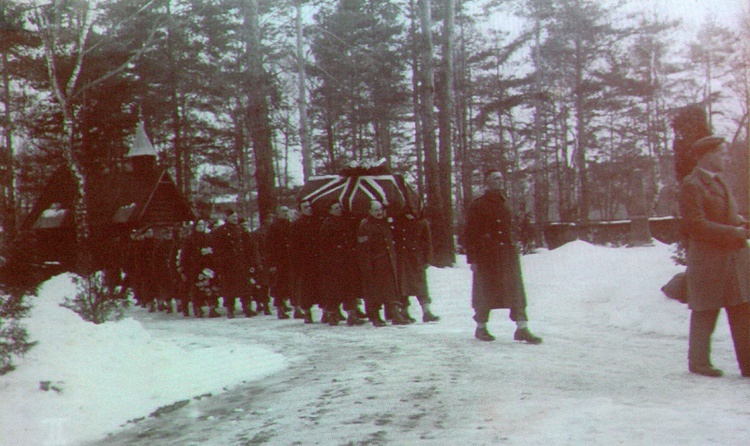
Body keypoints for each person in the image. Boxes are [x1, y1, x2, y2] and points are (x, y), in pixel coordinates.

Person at [679, 135, 750, 378]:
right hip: (709, 260)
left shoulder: (720, 182)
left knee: (743, 309)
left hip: (734, 259)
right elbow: (695, 225)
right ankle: (698, 363)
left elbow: (727, 215)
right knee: (706, 310)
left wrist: (742, 224)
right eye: (722, 152)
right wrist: (734, 232)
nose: (726, 157)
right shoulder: (692, 185)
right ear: (707, 155)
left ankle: (748, 365)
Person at [465, 170, 542, 343]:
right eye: (495, 179)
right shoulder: (478, 205)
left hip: (507, 255)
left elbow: (511, 226)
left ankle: (522, 328)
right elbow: (470, 233)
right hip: (487, 256)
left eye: (500, 178)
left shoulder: (506, 202)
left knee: (515, 291)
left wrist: (516, 241)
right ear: (487, 182)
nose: (499, 181)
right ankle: (481, 328)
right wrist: (473, 259)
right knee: (485, 292)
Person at [357, 200, 409, 327]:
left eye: (381, 209)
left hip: (389, 262)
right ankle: (375, 317)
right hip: (375, 264)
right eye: (376, 210)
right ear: (369, 212)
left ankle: (395, 314)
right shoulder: (365, 225)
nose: (379, 212)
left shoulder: (385, 222)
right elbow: (364, 249)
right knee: (375, 291)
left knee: (391, 289)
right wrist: (367, 266)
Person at [319, 202, 366, 326]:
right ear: (330, 211)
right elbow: (324, 245)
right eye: (336, 208)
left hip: (347, 261)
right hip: (334, 263)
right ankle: (333, 314)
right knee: (335, 290)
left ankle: (352, 315)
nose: (339, 209)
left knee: (350, 288)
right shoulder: (327, 224)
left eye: (340, 207)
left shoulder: (346, 221)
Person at [391, 209, 440, 323]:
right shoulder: (398, 220)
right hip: (402, 257)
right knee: (402, 285)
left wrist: (427, 259)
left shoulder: (422, 222)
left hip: (417, 257)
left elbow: (427, 241)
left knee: (421, 284)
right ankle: (404, 312)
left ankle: (426, 311)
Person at [213, 210, 255, 318]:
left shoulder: (241, 230)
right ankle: (230, 309)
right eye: (233, 217)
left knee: (245, 287)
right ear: (227, 217)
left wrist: (251, 261)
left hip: (241, 263)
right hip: (228, 264)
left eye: (236, 217)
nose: (235, 219)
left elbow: (249, 246)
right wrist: (221, 261)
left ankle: (247, 308)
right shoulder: (220, 231)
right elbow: (217, 248)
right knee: (229, 288)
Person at [291, 200, 323, 323]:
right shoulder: (297, 225)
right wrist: (297, 263)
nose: (309, 209)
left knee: (321, 286)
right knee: (306, 289)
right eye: (305, 207)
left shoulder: (318, 222)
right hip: (304, 261)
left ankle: (326, 312)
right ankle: (307, 313)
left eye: (310, 206)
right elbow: (294, 246)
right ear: (301, 210)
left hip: (318, 260)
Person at [268, 205, 294, 319]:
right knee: (279, 285)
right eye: (283, 211)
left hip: (290, 260)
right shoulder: (274, 227)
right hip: (279, 261)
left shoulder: (290, 225)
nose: (286, 213)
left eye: (287, 211)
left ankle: (286, 305)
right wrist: (272, 263)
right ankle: (280, 309)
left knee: (289, 284)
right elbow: (270, 247)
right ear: (278, 214)